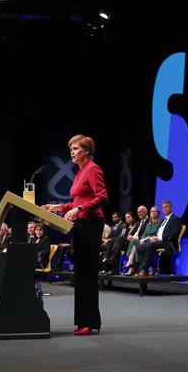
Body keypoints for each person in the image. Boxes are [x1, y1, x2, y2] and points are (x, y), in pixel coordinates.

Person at [43, 134, 108, 336]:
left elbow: (102, 197)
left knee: (88, 274)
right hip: (81, 224)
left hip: (91, 224)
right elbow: (77, 201)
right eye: (71, 149)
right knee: (80, 275)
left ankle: (90, 322)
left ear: (86, 151)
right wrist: (57, 207)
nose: (72, 152)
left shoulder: (92, 168)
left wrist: (79, 209)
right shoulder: (80, 172)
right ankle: (82, 322)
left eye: (76, 148)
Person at [136, 200, 183, 277]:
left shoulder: (175, 219)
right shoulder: (163, 220)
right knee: (140, 248)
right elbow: (159, 232)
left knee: (150, 245)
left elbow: (174, 233)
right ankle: (154, 267)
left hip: (169, 243)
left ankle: (144, 269)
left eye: (166, 207)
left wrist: (159, 238)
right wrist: (155, 237)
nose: (164, 209)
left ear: (171, 208)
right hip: (159, 241)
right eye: (163, 207)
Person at [123, 206, 161, 276]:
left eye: (154, 211)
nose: (153, 213)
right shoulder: (149, 224)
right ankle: (133, 264)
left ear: (158, 213)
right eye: (151, 211)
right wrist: (143, 239)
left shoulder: (160, 223)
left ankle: (133, 264)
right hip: (145, 241)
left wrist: (145, 239)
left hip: (152, 241)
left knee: (135, 242)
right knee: (135, 243)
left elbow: (157, 235)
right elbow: (144, 234)